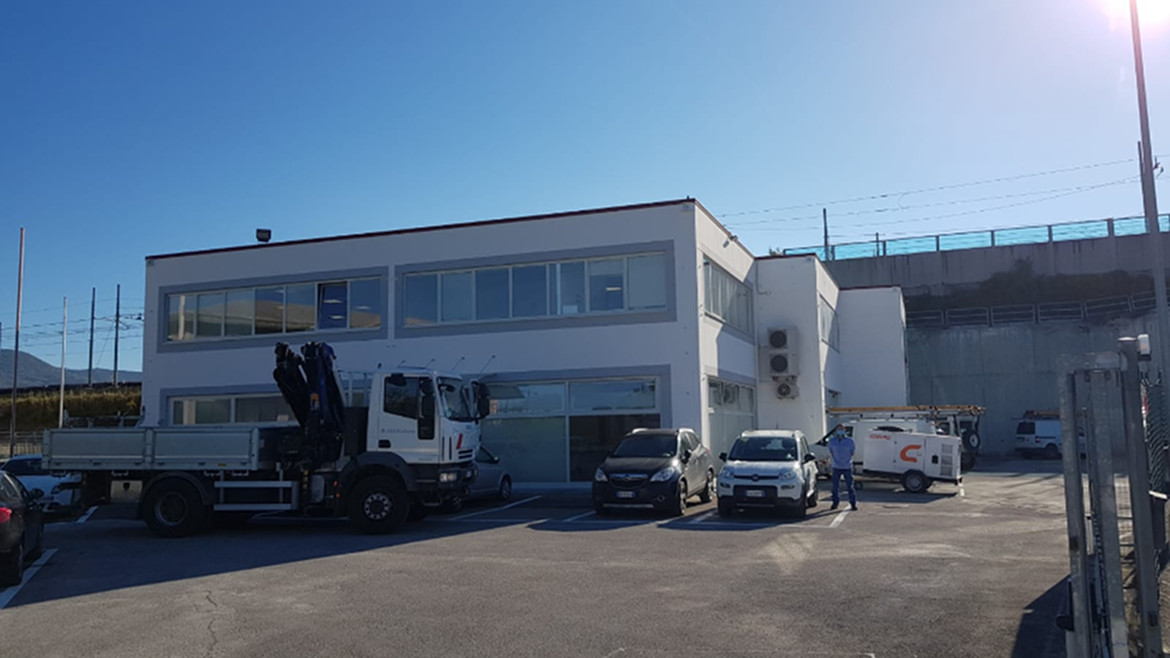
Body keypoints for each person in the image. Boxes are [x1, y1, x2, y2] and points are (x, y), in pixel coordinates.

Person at [828, 424, 858, 511]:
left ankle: (853, 503)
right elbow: (831, 452)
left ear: (844, 430)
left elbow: (852, 452)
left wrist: (846, 460)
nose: (840, 431)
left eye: (842, 429)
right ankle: (835, 503)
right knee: (835, 487)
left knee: (850, 486)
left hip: (847, 466)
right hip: (836, 466)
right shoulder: (832, 441)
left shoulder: (850, 441)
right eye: (838, 429)